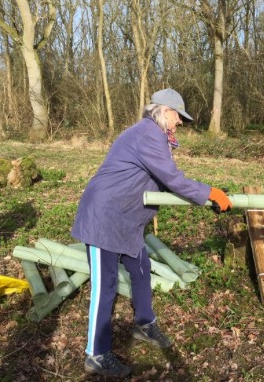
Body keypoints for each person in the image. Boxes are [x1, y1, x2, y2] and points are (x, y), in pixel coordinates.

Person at [71, 88, 233, 378]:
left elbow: (164, 180)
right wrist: (210, 192)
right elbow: (171, 178)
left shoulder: (155, 136)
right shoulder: (147, 133)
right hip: (104, 216)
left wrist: (207, 197)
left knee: (142, 268)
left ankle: (145, 323)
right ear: (164, 111)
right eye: (178, 116)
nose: (180, 122)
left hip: (127, 219)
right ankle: (96, 354)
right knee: (105, 285)